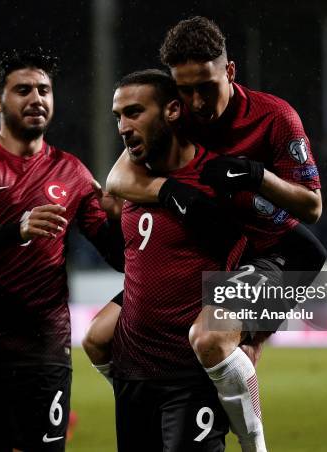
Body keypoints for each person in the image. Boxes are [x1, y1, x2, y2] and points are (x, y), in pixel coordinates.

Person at [84, 16, 327, 452]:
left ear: (230, 71)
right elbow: (116, 178)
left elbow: (312, 208)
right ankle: (151, 401)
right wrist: (170, 191)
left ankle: (254, 444)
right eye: (185, 90)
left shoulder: (275, 117)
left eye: (206, 87)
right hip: (224, 251)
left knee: (212, 337)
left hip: (280, 253)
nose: (197, 102)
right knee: (99, 337)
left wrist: (258, 176)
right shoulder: (180, 118)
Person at [0, 48, 123, 452]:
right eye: (23, 90)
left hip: (45, 348)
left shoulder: (71, 171)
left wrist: (129, 217)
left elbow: (116, 253)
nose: (36, 98)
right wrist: (14, 231)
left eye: (44, 90)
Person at [109, 68, 249, 452]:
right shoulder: (130, 180)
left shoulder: (217, 179)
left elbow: (271, 255)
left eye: (134, 112)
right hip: (132, 377)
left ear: (172, 110)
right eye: (118, 116)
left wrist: (249, 336)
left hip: (188, 376)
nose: (122, 126)